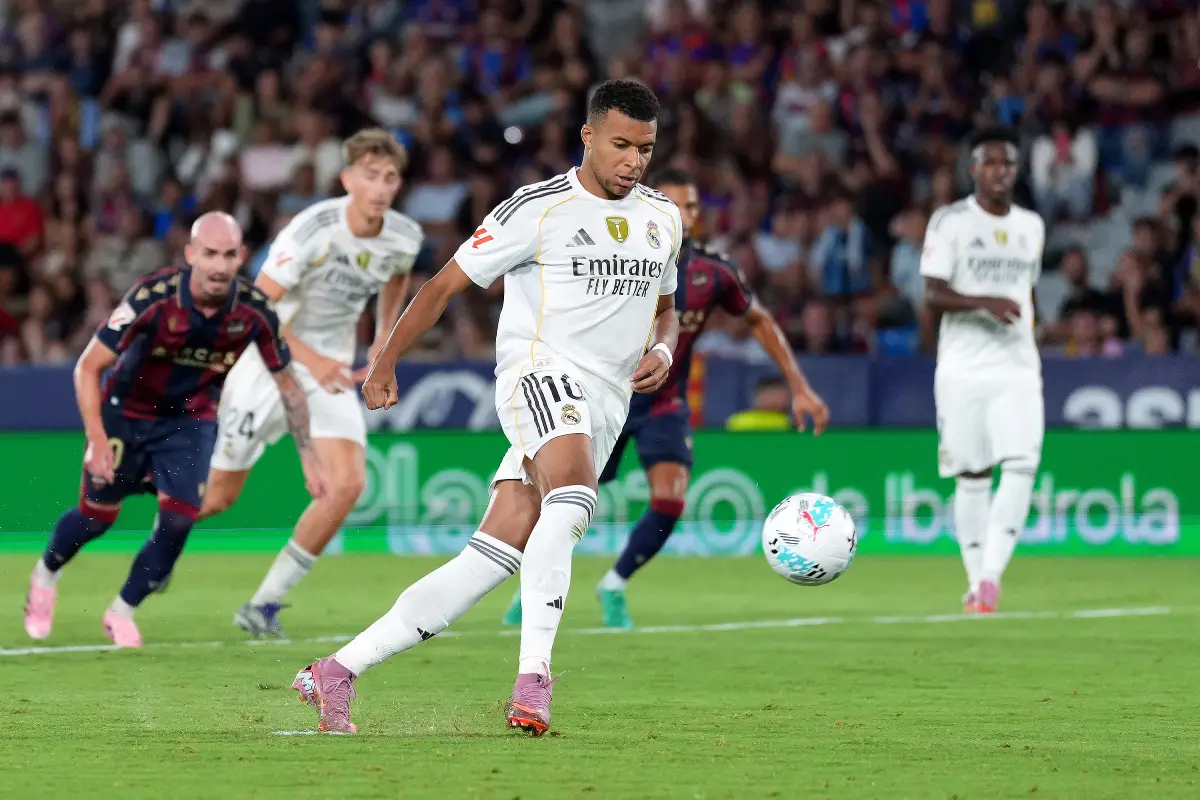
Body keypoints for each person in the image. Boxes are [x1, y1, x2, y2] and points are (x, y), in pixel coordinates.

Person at [291, 79, 681, 736]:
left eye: (644, 148)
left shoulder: (663, 218)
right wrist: (386, 359)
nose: (633, 161)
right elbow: (443, 284)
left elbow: (667, 313)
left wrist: (665, 354)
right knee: (575, 498)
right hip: (539, 373)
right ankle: (534, 679)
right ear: (588, 136)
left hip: (608, 402)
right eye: (620, 145)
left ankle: (337, 670)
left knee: (490, 556)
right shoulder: (536, 208)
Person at [500, 167, 830, 629]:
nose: (685, 213)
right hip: (597, 398)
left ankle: (614, 583)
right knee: (559, 499)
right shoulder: (618, 252)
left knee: (671, 497)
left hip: (664, 402)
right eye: (674, 202)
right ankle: (531, 587)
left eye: (692, 204)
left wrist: (799, 385)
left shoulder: (713, 272)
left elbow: (759, 320)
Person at [23, 213, 326, 648]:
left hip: (191, 421)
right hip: (125, 416)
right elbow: (88, 367)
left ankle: (121, 611)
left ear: (241, 256)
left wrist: (309, 458)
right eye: (210, 254)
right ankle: (45, 575)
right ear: (190, 255)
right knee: (96, 518)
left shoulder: (255, 311)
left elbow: (288, 386)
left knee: (180, 521)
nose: (220, 266)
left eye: (228, 255)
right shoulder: (152, 296)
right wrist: (95, 440)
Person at [196, 129, 422, 638]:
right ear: (347, 180)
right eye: (370, 175)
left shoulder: (404, 235)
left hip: (330, 372)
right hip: (266, 365)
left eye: (390, 177)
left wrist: (382, 341)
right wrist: (314, 359)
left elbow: (395, 277)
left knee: (348, 485)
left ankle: (263, 605)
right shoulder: (313, 228)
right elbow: (256, 305)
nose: (381, 187)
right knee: (217, 498)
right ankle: (154, 531)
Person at [919, 126, 1046, 614]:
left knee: (1021, 465)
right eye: (990, 163)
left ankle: (991, 578)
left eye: (1008, 164)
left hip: (1016, 367)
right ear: (974, 169)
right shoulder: (950, 221)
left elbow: (1026, 294)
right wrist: (983, 302)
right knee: (971, 475)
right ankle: (976, 584)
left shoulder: (1031, 226)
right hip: (962, 369)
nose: (999, 172)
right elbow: (932, 293)